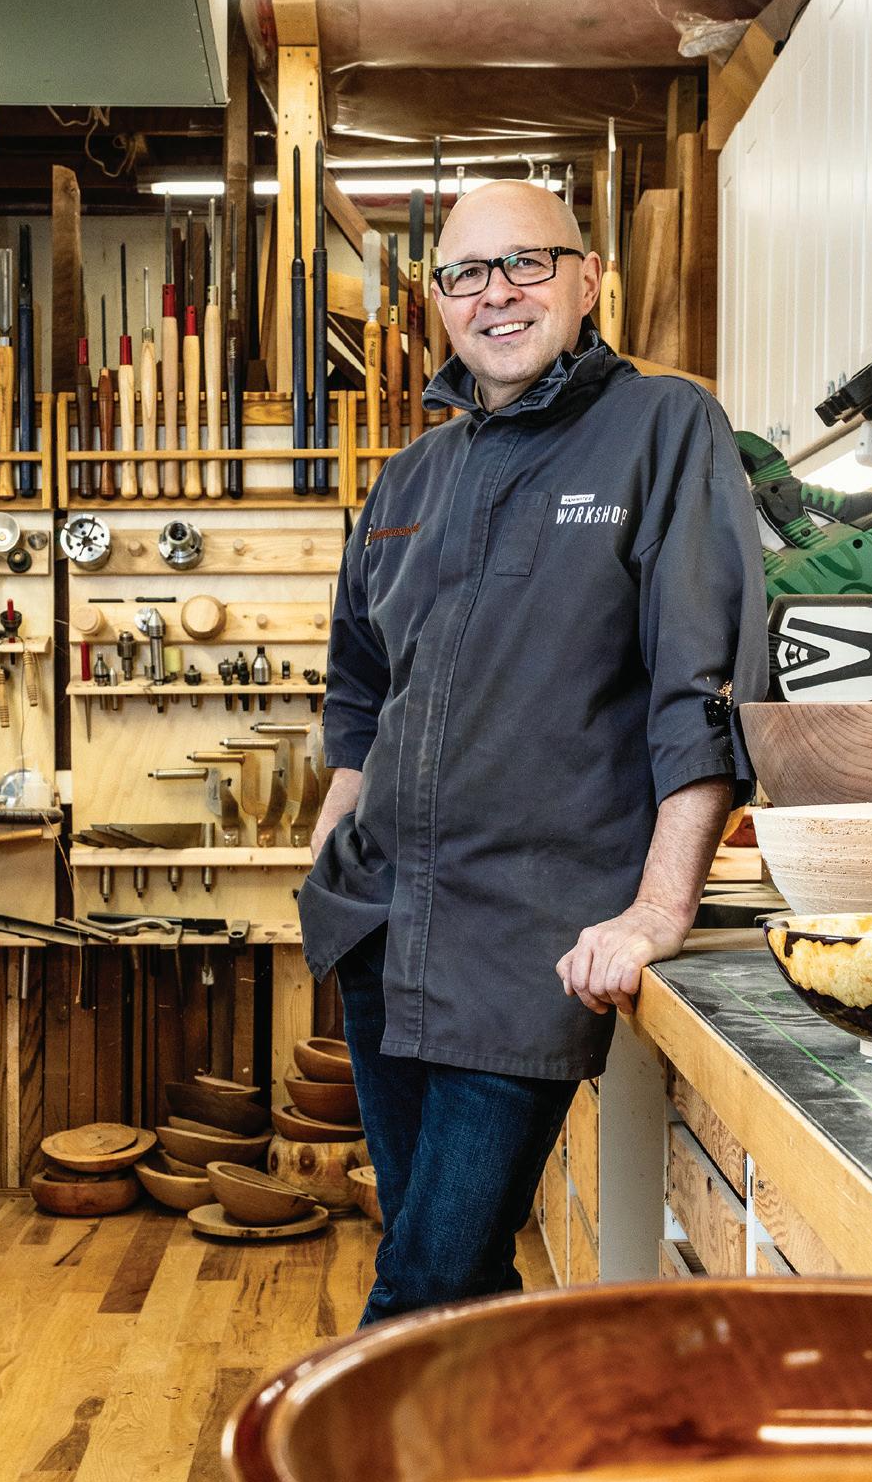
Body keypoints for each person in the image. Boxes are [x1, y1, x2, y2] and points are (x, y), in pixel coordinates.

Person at [298, 179, 767, 1325]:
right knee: (451, 1279)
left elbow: (702, 688)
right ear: (437, 301)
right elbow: (359, 688)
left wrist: (655, 909)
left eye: (526, 263)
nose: (494, 294)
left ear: (587, 278)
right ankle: (497, 1442)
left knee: (423, 1285)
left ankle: (347, 1451)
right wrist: (329, 839)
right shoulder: (410, 476)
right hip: (379, 927)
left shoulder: (664, 427)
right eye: (464, 273)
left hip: (529, 945)